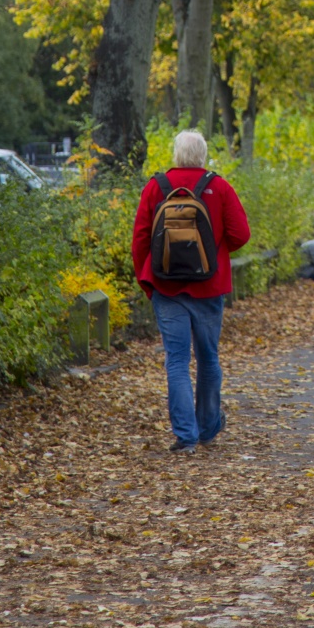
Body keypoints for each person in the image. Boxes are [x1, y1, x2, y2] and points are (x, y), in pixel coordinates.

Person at [131, 129, 249, 454]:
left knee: (177, 360)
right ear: (203, 154)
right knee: (208, 358)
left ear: (176, 153)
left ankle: (186, 436)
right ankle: (209, 427)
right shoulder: (220, 187)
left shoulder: (157, 186)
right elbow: (242, 233)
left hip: (166, 288)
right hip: (209, 287)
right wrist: (216, 252)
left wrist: (148, 280)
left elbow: (141, 238)